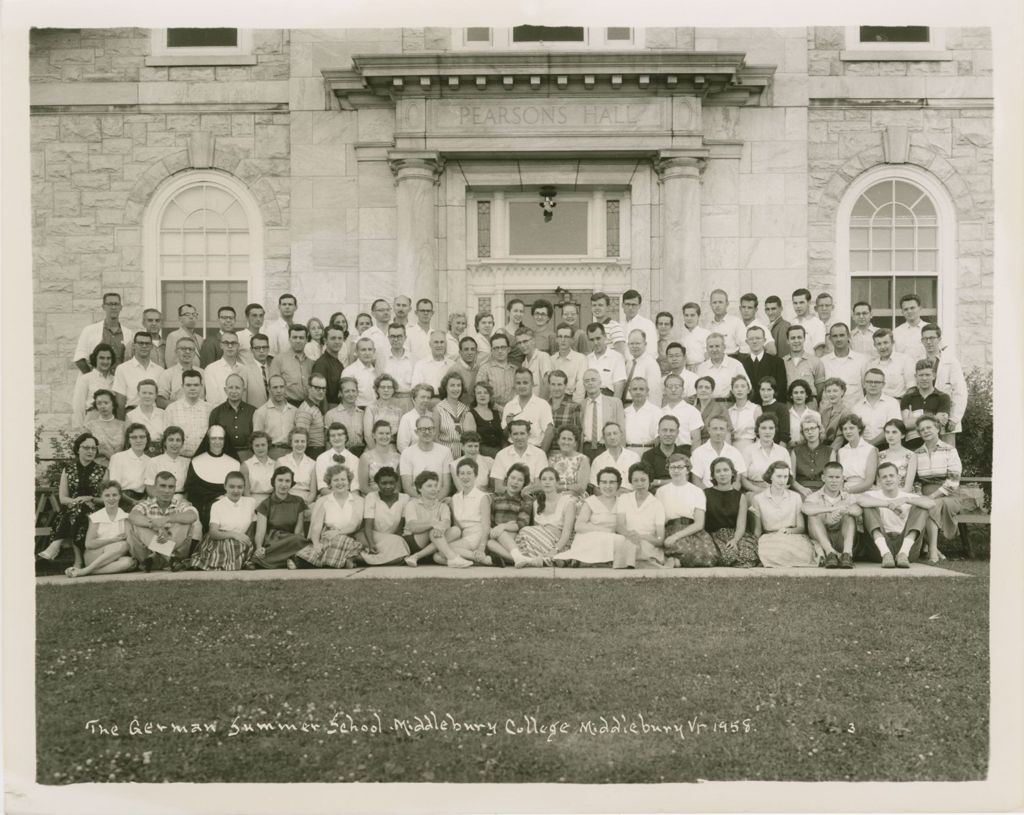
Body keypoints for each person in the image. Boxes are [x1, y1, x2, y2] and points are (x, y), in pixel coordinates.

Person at [36, 432, 107, 566]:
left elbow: (105, 500)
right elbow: (63, 499)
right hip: (71, 511)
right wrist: (79, 501)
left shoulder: (103, 471)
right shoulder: (68, 469)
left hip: (95, 511)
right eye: (86, 447)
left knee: (78, 512)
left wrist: (90, 498)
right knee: (78, 510)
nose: (90, 451)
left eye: (93, 448)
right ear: (78, 449)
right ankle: (78, 561)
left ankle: (55, 546)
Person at [858, 462, 936, 568]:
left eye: (891, 475)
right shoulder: (871, 495)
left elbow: (931, 504)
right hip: (879, 548)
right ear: (879, 481)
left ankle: (903, 553)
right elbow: (860, 501)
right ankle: (886, 553)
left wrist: (905, 500)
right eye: (884, 477)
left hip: (906, 546)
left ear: (898, 478)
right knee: (869, 506)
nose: (888, 479)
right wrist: (889, 505)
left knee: (921, 506)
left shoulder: (908, 496)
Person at [555, 467, 635, 568]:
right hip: (589, 536)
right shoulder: (591, 501)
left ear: (618, 484)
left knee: (620, 540)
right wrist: (604, 530)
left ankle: (584, 562)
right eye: (604, 482)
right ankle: (588, 561)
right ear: (599, 484)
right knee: (614, 539)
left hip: (611, 539)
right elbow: (579, 526)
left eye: (612, 482)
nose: (607, 486)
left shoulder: (622, 503)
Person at [914, 413, 965, 564]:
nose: (926, 431)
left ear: (937, 428)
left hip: (949, 495)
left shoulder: (949, 450)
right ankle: (934, 549)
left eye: (929, 427)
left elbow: (953, 480)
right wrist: (918, 495)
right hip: (925, 493)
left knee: (930, 506)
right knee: (915, 507)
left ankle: (932, 551)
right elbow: (916, 480)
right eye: (922, 429)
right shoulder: (916, 453)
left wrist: (931, 497)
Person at [295, 465, 366, 569]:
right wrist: (316, 543)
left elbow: (354, 525)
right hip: (327, 537)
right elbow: (317, 526)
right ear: (330, 483)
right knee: (323, 545)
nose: (340, 483)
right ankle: (341, 560)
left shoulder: (358, 500)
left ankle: (310, 561)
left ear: (348, 481)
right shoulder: (324, 501)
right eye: (335, 480)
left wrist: (338, 532)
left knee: (338, 540)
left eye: (343, 479)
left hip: (350, 536)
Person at [658, 454, 724, 567]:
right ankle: (672, 559)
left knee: (709, 556)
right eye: (672, 467)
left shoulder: (697, 491)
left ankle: (676, 561)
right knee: (679, 548)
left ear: (687, 469)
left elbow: (699, 523)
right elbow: (659, 519)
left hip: (692, 530)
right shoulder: (661, 491)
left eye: (680, 467)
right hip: (669, 529)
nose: (676, 471)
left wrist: (677, 536)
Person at [127, 471, 199, 571]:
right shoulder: (145, 505)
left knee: (185, 521)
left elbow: (192, 516)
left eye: (171, 487)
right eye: (163, 486)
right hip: (157, 560)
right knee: (136, 523)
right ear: (155, 487)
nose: (167, 490)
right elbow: (133, 516)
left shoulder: (181, 504)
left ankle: (158, 555)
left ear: (175, 489)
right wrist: (154, 525)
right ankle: (169, 557)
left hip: (159, 559)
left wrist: (167, 519)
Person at [749, 462, 817, 568]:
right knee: (773, 552)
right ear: (770, 477)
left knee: (795, 552)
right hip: (770, 537)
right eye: (779, 476)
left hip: (793, 536)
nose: (782, 480)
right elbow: (757, 530)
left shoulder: (795, 497)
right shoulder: (758, 499)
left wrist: (788, 531)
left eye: (785, 477)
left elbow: (801, 527)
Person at [401, 471, 474, 568]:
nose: (434, 489)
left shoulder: (442, 506)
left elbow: (446, 523)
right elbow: (413, 527)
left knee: (456, 530)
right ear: (419, 488)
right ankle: (452, 558)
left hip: (435, 542)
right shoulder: (412, 504)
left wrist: (439, 528)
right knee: (433, 529)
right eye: (429, 486)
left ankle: (416, 557)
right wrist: (433, 523)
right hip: (414, 542)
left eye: (435, 486)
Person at [64, 480, 136, 577]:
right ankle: (86, 570)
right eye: (107, 495)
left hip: (114, 558)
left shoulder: (125, 517)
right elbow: (89, 544)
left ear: (120, 496)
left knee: (128, 562)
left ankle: (88, 571)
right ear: (102, 497)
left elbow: (130, 541)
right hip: (94, 555)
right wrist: (111, 540)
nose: (111, 498)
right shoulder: (96, 517)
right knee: (122, 545)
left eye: (114, 495)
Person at [189, 471, 259, 571]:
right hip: (220, 539)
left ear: (244, 488)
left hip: (242, 539)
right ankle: (231, 562)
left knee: (240, 545)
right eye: (231, 486)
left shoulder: (250, 502)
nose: (236, 490)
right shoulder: (217, 505)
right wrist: (234, 535)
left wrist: (247, 540)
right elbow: (213, 533)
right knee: (228, 546)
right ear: (225, 486)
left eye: (240, 487)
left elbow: (254, 526)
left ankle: (240, 560)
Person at [511, 467, 576, 567]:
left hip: (559, 544)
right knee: (523, 535)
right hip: (540, 543)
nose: (547, 482)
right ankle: (540, 560)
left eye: (551, 479)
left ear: (557, 482)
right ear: (540, 483)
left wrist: (555, 550)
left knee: (525, 531)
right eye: (544, 479)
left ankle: (543, 558)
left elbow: (567, 533)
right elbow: (537, 530)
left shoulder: (567, 502)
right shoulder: (537, 503)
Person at [802, 461, 862, 569]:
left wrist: (846, 510)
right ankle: (830, 554)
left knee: (850, 517)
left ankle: (847, 555)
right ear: (823, 478)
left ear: (842, 478)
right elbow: (806, 509)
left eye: (837, 477)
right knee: (813, 516)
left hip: (842, 540)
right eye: (830, 477)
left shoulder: (848, 496)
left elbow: (858, 510)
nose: (834, 481)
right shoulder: (814, 496)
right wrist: (833, 509)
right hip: (822, 540)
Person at [184, 425, 240, 534]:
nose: (217, 442)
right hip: (202, 504)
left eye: (221, 439)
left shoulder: (234, 463)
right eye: (213, 438)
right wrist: (215, 497)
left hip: (227, 504)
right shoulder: (196, 461)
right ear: (208, 440)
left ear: (225, 441)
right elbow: (191, 487)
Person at [703, 457, 758, 567]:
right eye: (718, 471)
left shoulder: (740, 496)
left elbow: (741, 526)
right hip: (714, 535)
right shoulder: (705, 494)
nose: (722, 474)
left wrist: (735, 540)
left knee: (747, 555)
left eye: (726, 470)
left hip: (736, 534)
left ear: (732, 473)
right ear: (713, 475)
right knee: (729, 556)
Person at [253, 467, 308, 569]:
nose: (284, 484)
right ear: (274, 482)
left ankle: (264, 560)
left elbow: (299, 531)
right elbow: (260, 531)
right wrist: (259, 547)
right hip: (273, 541)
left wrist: (296, 542)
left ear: (291, 483)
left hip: (291, 540)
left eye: (287, 481)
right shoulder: (265, 504)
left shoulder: (298, 501)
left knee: (300, 540)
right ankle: (292, 559)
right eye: (280, 480)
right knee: (303, 547)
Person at [355, 467, 413, 565]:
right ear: (377, 484)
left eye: (391, 483)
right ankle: (383, 557)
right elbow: (368, 526)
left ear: (396, 483)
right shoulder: (371, 497)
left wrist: (391, 541)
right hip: (370, 536)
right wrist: (371, 543)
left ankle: (361, 559)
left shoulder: (405, 498)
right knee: (400, 551)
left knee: (399, 545)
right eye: (384, 483)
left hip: (393, 537)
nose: (388, 486)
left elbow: (400, 527)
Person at [921, 323, 967, 442]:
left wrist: (954, 418)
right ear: (922, 341)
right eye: (925, 339)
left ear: (939, 339)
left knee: (947, 453)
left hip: (947, 417)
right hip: (925, 417)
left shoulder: (951, 361)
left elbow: (960, 391)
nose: (929, 342)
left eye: (932, 338)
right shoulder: (918, 361)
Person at [615, 463, 667, 568]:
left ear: (650, 481)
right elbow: (619, 526)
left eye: (643, 480)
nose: (639, 484)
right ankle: (641, 562)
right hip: (627, 539)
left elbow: (660, 538)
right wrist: (630, 535)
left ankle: (638, 562)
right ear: (631, 482)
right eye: (635, 480)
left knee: (638, 548)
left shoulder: (657, 504)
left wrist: (641, 537)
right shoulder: (624, 499)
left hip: (648, 543)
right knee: (627, 545)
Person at [486, 464, 534, 566]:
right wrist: (502, 527)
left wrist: (503, 526)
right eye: (513, 478)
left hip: (517, 536)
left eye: (520, 480)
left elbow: (522, 523)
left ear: (524, 484)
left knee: (500, 533)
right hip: (496, 537)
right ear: (507, 478)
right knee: (490, 543)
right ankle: (520, 559)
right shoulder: (495, 497)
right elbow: (490, 522)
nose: (515, 482)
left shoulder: (526, 500)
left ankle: (514, 558)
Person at [73, 292, 133, 372]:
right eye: (110, 304)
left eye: (116, 304)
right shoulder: (89, 330)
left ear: (121, 307)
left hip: (119, 381)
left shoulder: (129, 334)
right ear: (103, 307)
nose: (113, 307)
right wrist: (92, 378)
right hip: (95, 382)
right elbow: (79, 359)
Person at [900, 359, 952, 450]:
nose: (924, 378)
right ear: (916, 376)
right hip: (911, 446)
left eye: (927, 375)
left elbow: (940, 423)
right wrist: (934, 416)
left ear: (934, 376)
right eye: (921, 375)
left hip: (935, 446)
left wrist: (914, 420)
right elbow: (906, 424)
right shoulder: (907, 398)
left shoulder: (943, 397)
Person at [113, 331, 164, 418]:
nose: (144, 346)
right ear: (133, 346)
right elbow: (120, 402)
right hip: (132, 415)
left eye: (147, 343)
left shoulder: (160, 370)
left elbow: (160, 399)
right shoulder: (122, 369)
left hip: (154, 416)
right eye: (140, 343)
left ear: (151, 346)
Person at [399, 414, 453, 497]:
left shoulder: (445, 451)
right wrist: (423, 501)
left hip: (438, 500)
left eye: (430, 429)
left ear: (435, 431)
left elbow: (446, 486)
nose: (427, 432)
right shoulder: (407, 453)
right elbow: (407, 487)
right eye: (423, 429)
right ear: (416, 432)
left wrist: (435, 501)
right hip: (416, 500)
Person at [579, 368, 626, 461]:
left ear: (600, 383)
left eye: (593, 380)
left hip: (607, 448)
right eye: (587, 381)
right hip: (586, 449)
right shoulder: (580, 405)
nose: (590, 383)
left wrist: (621, 454)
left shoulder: (614, 403)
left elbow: (622, 430)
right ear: (584, 384)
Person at [501, 368, 553, 450]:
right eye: (518, 383)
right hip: (512, 449)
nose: (521, 386)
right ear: (514, 385)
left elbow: (549, 432)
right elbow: (504, 436)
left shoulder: (542, 404)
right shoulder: (509, 406)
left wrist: (541, 455)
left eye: (525, 383)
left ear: (532, 384)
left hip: (534, 449)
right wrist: (508, 425)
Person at [491, 418, 548, 492]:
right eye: (515, 434)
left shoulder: (540, 454)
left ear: (529, 435)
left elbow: (539, 485)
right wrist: (518, 493)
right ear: (510, 436)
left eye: (522, 433)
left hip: (532, 496)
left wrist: (524, 494)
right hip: (508, 498)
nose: (519, 437)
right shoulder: (501, 455)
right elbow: (498, 487)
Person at [163, 370, 211, 457]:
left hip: (203, 458)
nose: (192, 388)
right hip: (179, 458)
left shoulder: (209, 409)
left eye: (196, 385)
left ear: (201, 386)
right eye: (188, 385)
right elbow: (166, 439)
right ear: (182, 386)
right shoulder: (172, 409)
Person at [736, 326, 787, 406]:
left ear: (764, 340)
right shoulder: (741, 364)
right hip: (749, 409)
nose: (754, 341)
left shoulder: (777, 362)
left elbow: (781, 390)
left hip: (771, 409)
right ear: (747, 341)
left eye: (758, 338)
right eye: (751, 339)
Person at [690, 416, 746, 489]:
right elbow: (696, 482)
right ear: (709, 430)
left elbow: (737, 482)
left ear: (726, 431)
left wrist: (729, 495)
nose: (718, 432)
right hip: (707, 495)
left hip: (729, 495)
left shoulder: (735, 453)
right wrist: (711, 496)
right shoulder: (698, 452)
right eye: (715, 428)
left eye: (722, 429)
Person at [208, 373, 256, 459]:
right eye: (230, 387)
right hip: (225, 455)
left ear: (243, 390)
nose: (234, 391)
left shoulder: (253, 411)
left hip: (248, 456)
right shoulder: (216, 412)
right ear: (225, 390)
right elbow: (212, 439)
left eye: (237, 388)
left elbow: (257, 437)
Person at [851, 368, 901, 447]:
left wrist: (870, 445)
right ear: (864, 384)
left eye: (877, 382)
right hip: (862, 448)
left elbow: (893, 428)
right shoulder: (856, 407)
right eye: (869, 381)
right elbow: (854, 432)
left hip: (887, 446)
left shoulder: (892, 403)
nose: (873, 385)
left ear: (883, 384)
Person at [741, 415, 790, 494]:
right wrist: (759, 490)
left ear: (775, 430)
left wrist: (776, 491)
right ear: (757, 430)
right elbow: (743, 479)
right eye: (763, 428)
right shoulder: (748, 451)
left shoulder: (783, 451)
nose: (767, 432)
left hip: (779, 491)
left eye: (771, 428)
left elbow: (789, 480)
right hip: (754, 491)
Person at [252, 374, 297, 459]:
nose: (279, 391)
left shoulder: (294, 411)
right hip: (271, 453)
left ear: (285, 388)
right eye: (275, 387)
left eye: (281, 387)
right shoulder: (261, 412)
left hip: (292, 453)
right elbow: (257, 439)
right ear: (269, 389)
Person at [71, 343, 116, 427]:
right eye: (101, 358)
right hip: (92, 421)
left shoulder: (115, 379)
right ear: (95, 359)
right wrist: (79, 429)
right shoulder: (86, 379)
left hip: (111, 422)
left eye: (108, 358)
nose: (105, 361)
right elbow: (78, 407)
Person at [821, 323, 867, 404]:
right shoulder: (823, 362)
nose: (838, 339)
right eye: (835, 336)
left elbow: (866, 388)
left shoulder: (862, 360)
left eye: (842, 335)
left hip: (854, 411)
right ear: (830, 339)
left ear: (849, 336)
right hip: (831, 412)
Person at [832, 414, 878, 494]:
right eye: (845, 429)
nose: (848, 431)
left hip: (865, 490)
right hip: (844, 490)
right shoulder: (841, 451)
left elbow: (869, 482)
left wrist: (846, 491)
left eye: (851, 428)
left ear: (859, 429)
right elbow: (840, 479)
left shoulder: (870, 450)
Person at [269, 324, 313, 406]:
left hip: (307, 406)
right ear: (289, 339)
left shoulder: (311, 363)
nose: (298, 340)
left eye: (301, 338)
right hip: (286, 405)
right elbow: (273, 388)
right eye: (294, 337)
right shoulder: (279, 360)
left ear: (306, 339)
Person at [202, 330, 249, 407]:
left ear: (238, 346)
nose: (230, 346)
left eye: (233, 343)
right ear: (221, 345)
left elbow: (245, 397)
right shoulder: (211, 369)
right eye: (226, 343)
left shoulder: (244, 369)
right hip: (220, 415)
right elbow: (212, 400)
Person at [589, 422, 639, 493]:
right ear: (603, 438)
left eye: (615, 433)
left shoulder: (634, 457)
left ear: (621, 435)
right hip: (606, 500)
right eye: (608, 434)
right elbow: (595, 488)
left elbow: (639, 483)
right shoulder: (598, 460)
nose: (612, 437)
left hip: (630, 499)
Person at [107, 423, 151, 504]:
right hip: (121, 500)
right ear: (128, 440)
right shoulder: (118, 457)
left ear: (147, 439)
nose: (138, 440)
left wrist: (143, 502)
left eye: (142, 437)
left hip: (142, 501)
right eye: (134, 437)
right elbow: (115, 487)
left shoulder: (150, 461)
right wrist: (133, 502)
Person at [695, 333, 748, 399]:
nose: (714, 350)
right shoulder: (702, 368)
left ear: (724, 347)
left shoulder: (736, 365)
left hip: (730, 404)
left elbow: (748, 387)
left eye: (717, 346)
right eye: (711, 347)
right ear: (707, 349)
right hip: (709, 404)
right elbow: (697, 391)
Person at [790, 416, 831, 498]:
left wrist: (821, 492)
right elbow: (791, 478)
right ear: (803, 433)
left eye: (813, 428)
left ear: (819, 429)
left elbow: (832, 477)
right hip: (801, 491)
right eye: (806, 430)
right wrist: (801, 489)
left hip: (823, 491)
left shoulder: (830, 451)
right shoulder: (795, 451)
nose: (810, 432)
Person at [315, 423, 361, 497]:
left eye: (340, 435)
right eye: (333, 436)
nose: (336, 438)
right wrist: (339, 497)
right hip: (328, 496)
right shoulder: (321, 458)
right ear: (329, 439)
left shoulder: (355, 459)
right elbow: (322, 488)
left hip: (349, 497)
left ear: (346, 437)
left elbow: (355, 489)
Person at [868, 328, 915, 400]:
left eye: (885, 343)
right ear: (875, 345)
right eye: (879, 344)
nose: (883, 347)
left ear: (893, 343)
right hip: (877, 405)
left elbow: (912, 388)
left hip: (899, 403)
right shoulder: (872, 365)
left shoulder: (905, 360)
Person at [159, 336, 205, 408]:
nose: (187, 352)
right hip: (177, 414)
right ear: (176, 351)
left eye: (191, 349)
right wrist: (181, 408)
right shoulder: (167, 374)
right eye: (183, 349)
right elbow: (160, 401)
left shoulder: (203, 373)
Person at [144, 425, 190, 498]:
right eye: (171, 440)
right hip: (159, 499)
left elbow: (190, 489)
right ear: (165, 442)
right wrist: (162, 501)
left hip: (181, 500)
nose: (174, 443)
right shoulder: (154, 461)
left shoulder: (188, 463)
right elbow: (149, 487)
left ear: (182, 443)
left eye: (178, 440)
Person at [782, 324, 826, 400]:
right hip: (788, 403)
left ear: (804, 339)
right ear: (787, 341)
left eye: (799, 337)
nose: (796, 341)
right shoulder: (782, 362)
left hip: (809, 402)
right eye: (793, 338)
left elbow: (820, 388)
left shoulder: (815, 361)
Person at [324, 377, 366, 456]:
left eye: (353, 391)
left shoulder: (363, 414)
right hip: (339, 455)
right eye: (347, 391)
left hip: (360, 455)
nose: (351, 394)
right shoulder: (331, 415)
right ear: (340, 393)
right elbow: (328, 443)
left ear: (357, 393)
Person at [435, 370, 472, 459]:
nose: (456, 389)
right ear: (445, 387)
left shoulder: (466, 409)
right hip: (444, 455)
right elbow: (434, 438)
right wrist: (446, 453)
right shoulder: (438, 409)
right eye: (452, 385)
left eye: (458, 385)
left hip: (463, 455)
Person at [661, 374, 704, 449]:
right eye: (670, 387)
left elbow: (696, 440)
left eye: (677, 387)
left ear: (683, 389)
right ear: (664, 390)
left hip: (685, 452)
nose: (673, 390)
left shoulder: (692, 411)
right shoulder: (660, 412)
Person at [361, 374, 404, 449]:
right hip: (373, 447)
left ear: (394, 390)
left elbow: (401, 436)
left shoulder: (398, 411)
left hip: (392, 448)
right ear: (377, 389)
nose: (386, 390)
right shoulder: (370, 409)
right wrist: (377, 453)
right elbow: (368, 436)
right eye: (382, 387)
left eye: (389, 387)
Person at [475, 331, 517, 409]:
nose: (500, 351)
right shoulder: (485, 369)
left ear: (508, 349)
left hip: (512, 411)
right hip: (491, 411)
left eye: (503, 347)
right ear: (491, 350)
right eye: (496, 348)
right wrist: (498, 408)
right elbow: (480, 393)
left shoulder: (515, 370)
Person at [622, 329, 663, 407]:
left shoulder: (651, 364)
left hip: (642, 407)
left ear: (645, 344)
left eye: (638, 343)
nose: (634, 346)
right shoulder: (629, 363)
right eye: (631, 343)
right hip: (627, 407)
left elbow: (654, 393)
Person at [547, 426, 590, 500]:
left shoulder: (582, 459)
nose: (566, 442)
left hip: (575, 498)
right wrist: (569, 487)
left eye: (570, 439)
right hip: (555, 496)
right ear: (558, 441)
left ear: (575, 443)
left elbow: (581, 488)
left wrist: (561, 490)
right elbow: (549, 484)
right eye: (563, 438)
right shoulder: (552, 460)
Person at [585, 322, 627, 399]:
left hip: (608, 400)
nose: (595, 343)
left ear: (605, 337)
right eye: (592, 340)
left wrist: (613, 408)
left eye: (598, 338)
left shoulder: (616, 358)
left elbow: (619, 389)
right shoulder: (587, 359)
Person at [82, 389, 125, 463]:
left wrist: (107, 453)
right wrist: (102, 452)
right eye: (99, 403)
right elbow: (85, 451)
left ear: (113, 404)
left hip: (121, 465)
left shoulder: (123, 425)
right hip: (98, 467)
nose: (103, 406)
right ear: (96, 406)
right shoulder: (89, 427)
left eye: (106, 403)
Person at [359, 420, 401, 493]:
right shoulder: (365, 457)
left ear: (391, 435)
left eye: (387, 433)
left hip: (392, 497)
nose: (384, 436)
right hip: (372, 496)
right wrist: (379, 498)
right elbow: (363, 487)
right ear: (373, 435)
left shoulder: (397, 457)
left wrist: (389, 498)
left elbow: (398, 488)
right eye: (381, 433)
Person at [312, 325, 348, 411]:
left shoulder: (339, 363)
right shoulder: (321, 364)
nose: (337, 341)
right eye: (333, 338)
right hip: (328, 410)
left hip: (339, 409)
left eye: (340, 338)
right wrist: (325, 415)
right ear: (325, 341)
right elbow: (319, 394)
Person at [278, 427, 317, 503]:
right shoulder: (281, 461)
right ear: (291, 443)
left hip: (305, 501)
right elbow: (277, 489)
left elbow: (313, 493)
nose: (300, 444)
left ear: (306, 443)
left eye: (303, 441)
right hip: (285, 501)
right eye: (296, 441)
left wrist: (305, 504)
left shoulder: (313, 464)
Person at [550, 322, 587, 402]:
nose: (563, 340)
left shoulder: (580, 359)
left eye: (566, 337)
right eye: (560, 336)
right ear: (556, 339)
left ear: (572, 340)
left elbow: (581, 385)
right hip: (554, 400)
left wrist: (576, 405)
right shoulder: (551, 360)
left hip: (572, 400)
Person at [293, 373, 327, 459]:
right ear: (309, 388)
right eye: (317, 388)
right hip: (312, 453)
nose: (321, 391)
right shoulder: (305, 410)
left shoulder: (315, 407)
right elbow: (300, 439)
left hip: (319, 452)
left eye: (323, 388)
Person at [125, 379, 166, 451]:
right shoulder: (130, 416)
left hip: (160, 454)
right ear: (138, 394)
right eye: (144, 393)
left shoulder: (163, 414)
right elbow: (128, 441)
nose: (147, 396)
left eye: (150, 393)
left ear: (156, 395)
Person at [877, 419, 917, 492]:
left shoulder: (911, 455)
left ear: (902, 435)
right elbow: (879, 484)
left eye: (894, 432)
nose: (890, 435)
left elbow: (908, 487)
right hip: (883, 495)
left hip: (904, 495)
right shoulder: (879, 455)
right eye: (887, 432)